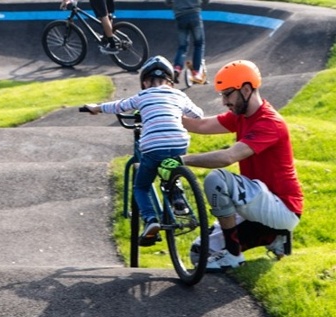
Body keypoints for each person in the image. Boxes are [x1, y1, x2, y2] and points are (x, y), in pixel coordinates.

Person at [158, 60, 304, 271]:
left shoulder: (270, 122)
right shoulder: (240, 116)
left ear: (245, 90)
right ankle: (274, 237)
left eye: (228, 94)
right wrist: (159, 114)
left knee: (217, 179)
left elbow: (227, 157)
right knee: (199, 253)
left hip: (283, 207)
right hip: (256, 203)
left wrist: (183, 160)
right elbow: (200, 124)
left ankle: (234, 256)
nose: (224, 101)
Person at [83, 55, 204, 246]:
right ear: (170, 81)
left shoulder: (142, 96)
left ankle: (150, 220)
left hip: (154, 146)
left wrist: (96, 108)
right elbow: (198, 114)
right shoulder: (179, 95)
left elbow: (119, 106)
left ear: (145, 82)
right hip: (180, 143)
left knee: (141, 187)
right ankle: (178, 197)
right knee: (171, 167)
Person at [165, 0, 209, 84]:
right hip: (194, 14)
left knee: (182, 46)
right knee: (199, 44)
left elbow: (167, 2)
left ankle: (177, 68)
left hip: (180, 16)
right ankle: (196, 72)